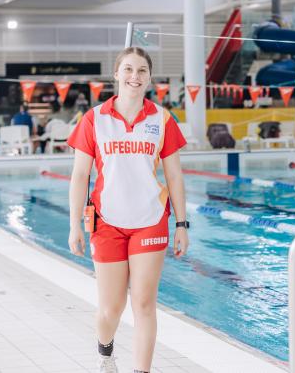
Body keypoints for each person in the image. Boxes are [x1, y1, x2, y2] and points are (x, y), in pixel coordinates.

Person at [67, 47, 188, 373]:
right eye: (129, 70)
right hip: (107, 223)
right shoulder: (95, 118)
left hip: (150, 221)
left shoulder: (161, 119)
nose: (135, 77)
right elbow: (80, 175)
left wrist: (182, 224)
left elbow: (174, 175)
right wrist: (75, 224)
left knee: (145, 304)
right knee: (111, 308)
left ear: (149, 77)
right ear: (116, 74)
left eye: (142, 71)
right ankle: (106, 353)